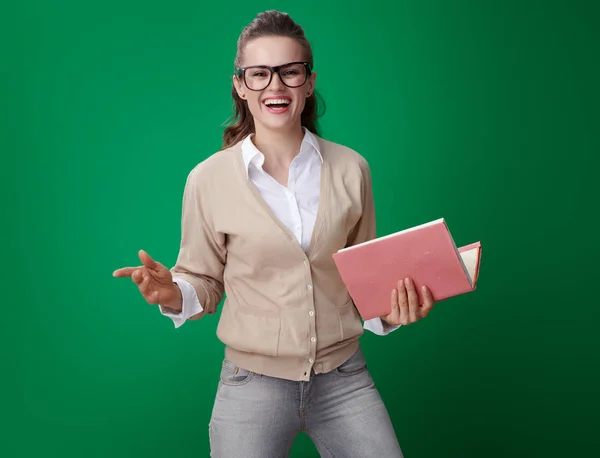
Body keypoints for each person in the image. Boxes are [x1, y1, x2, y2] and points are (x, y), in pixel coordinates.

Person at [113, 10, 435, 458]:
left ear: (309, 80)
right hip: (251, 387)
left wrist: (394, 312)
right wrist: (171, 292)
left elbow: (367, 281)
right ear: (241, 85)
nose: (275, 86)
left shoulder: (351, 168)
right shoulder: (207, 179)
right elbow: (203, 283)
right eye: (260, 74)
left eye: (290, 72)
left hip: (345, 379)